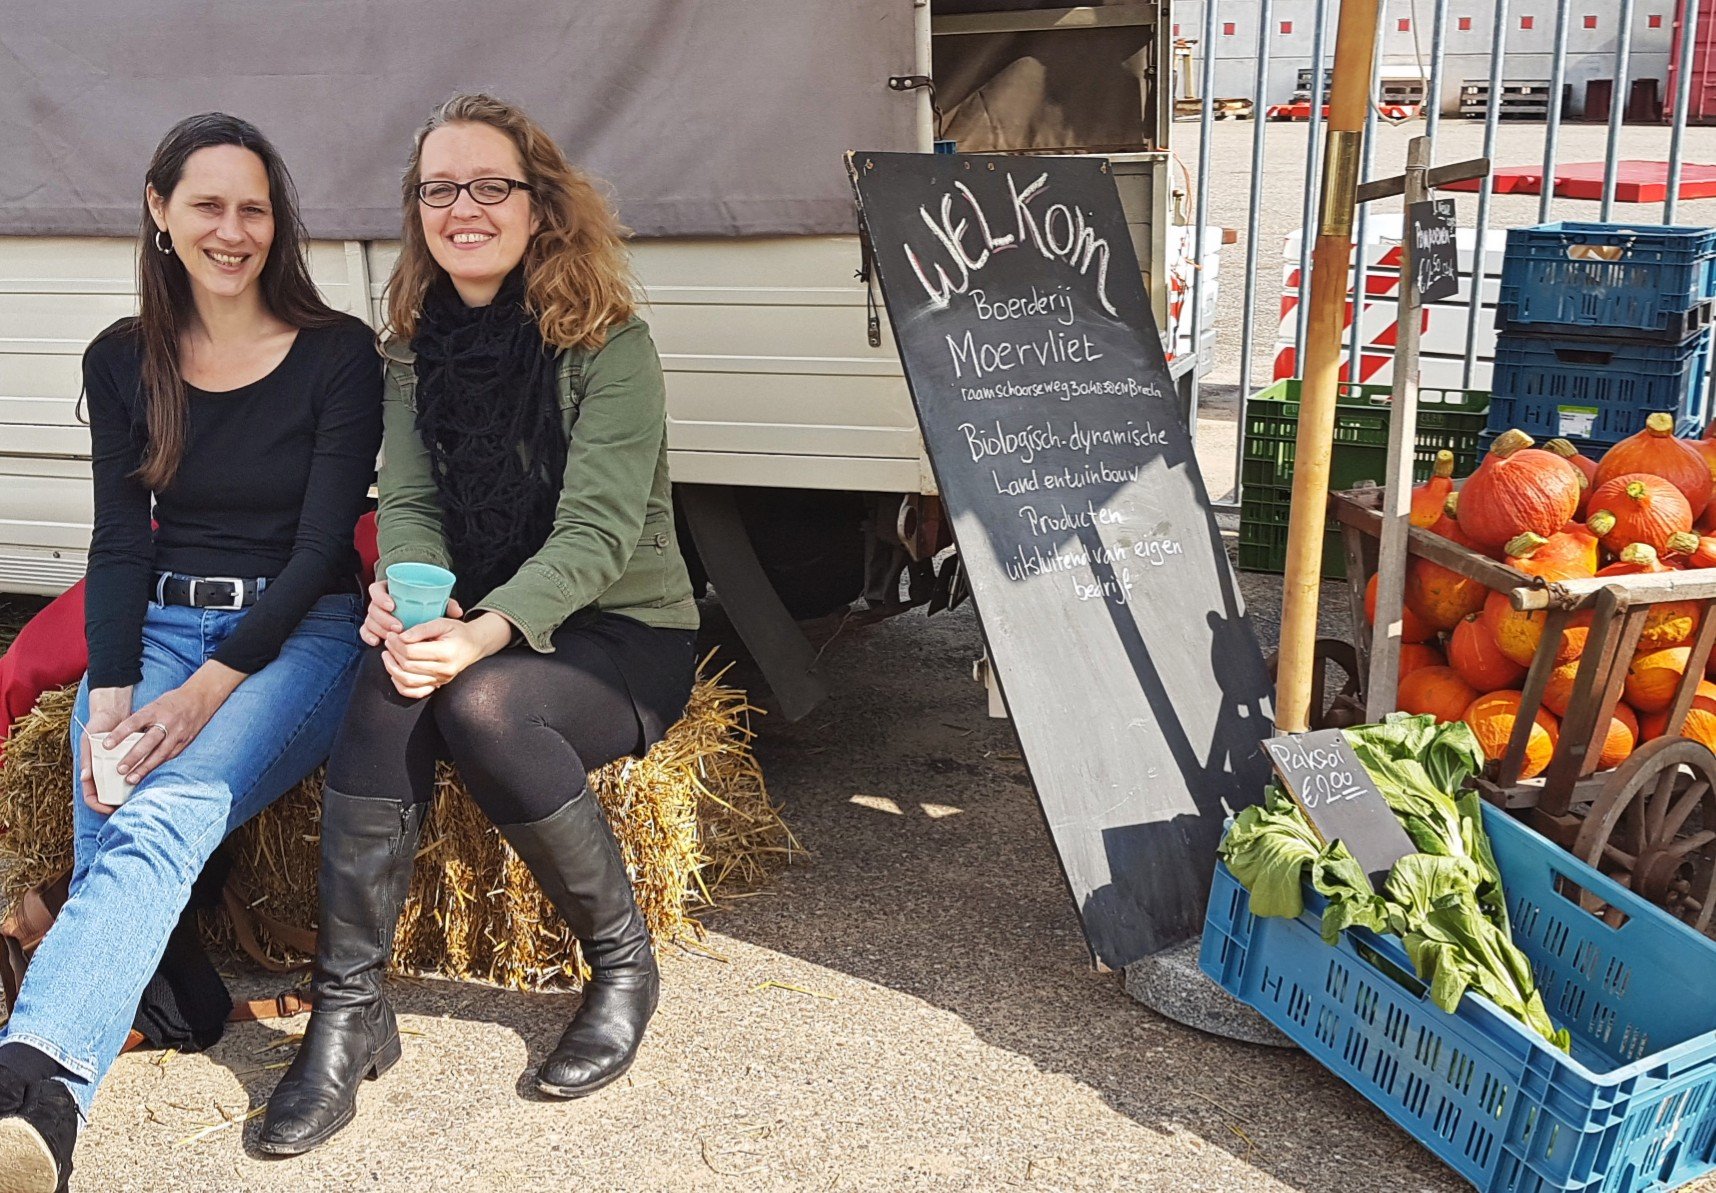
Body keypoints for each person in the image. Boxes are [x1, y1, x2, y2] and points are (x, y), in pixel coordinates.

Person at [258, 93, 699, 1156]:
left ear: (539, 206)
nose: (464, 206)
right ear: (417, 211)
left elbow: (597, 535)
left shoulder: (612, 345)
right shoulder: (410, 348)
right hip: (488, 602)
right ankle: (349, 1010)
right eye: (438, 188)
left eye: (489, 185)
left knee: (483, 702)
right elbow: (407, 502)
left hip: (617, 628)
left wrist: (483, 632)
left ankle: (623, 961)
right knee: (390, 677)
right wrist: (407, 595)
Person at [0, 113, 382, 1189]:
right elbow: (121, 540)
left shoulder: (337, 355)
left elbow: (321, 553)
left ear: (278, 222)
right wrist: (111, 692)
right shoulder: (123, 359)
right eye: (207, 205)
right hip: (162, 619)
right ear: (159, 213)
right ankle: (176, 1002)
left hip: (296, 633)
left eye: (253, 207)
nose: (232, 229)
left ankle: (39, 1102)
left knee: (159, 811)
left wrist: (209, 690)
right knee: (110, 795)